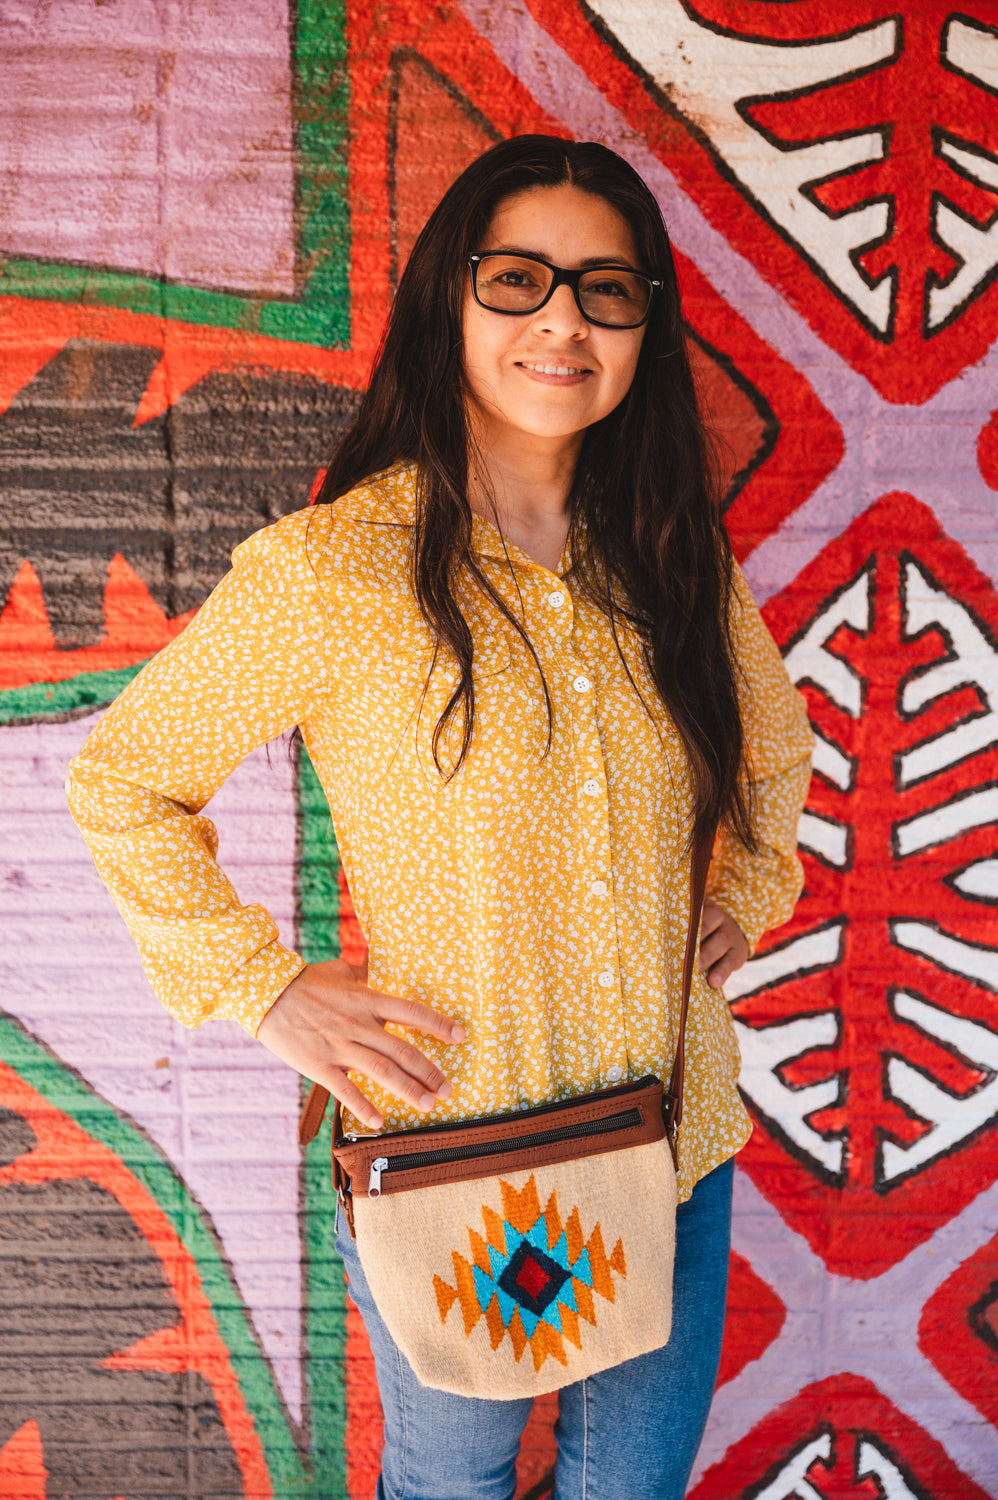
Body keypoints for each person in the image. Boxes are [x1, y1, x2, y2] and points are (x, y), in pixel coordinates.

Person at [67, 135, 813, 1498]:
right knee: (450, 1488)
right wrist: (268, 988)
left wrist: (745, 895)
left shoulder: (668, 559)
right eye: (518, 279)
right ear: (447, 301)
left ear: (647, 323)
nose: (562, 322)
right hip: (455, 1153)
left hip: (674, 1138)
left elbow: (773, 755)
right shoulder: (336, 571)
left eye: (606, 290)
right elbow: (124, 779)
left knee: (627, 1491)